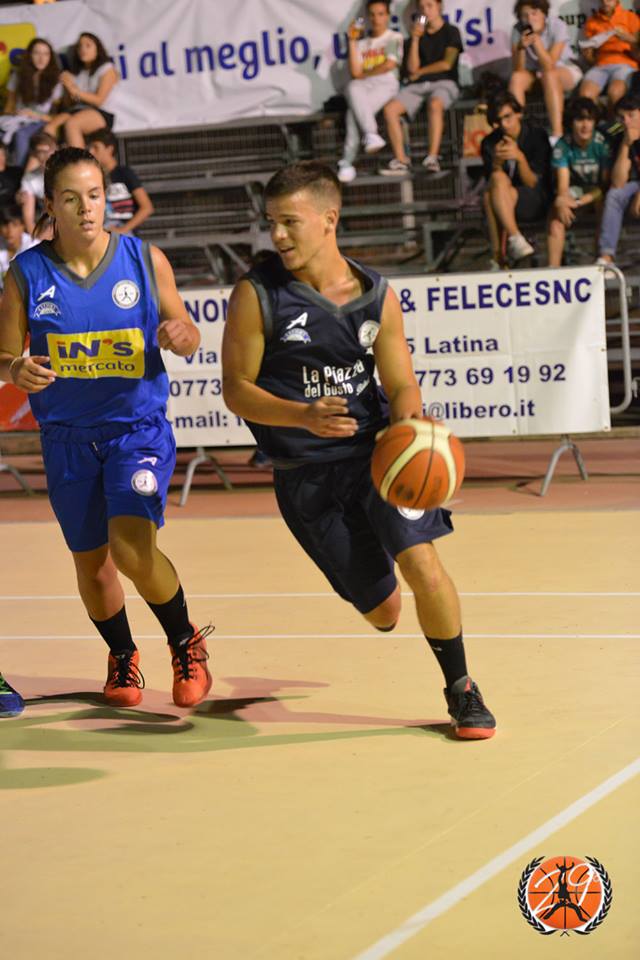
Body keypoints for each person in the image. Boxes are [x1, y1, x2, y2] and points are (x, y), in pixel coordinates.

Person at [221, 160, 496, 740]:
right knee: (384, 613)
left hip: (376, 459)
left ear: (329, 219)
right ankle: (372, 562)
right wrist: (302, 415)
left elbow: (401, 382)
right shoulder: (257, 295)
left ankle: (463, 689)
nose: (277, 235)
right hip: (305, 474)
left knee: (422, 562)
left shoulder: (375, 295)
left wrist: (409, 424)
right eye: (271, 222)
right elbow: (236, 390)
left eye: (290, 221)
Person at [0, 147, 212, 710]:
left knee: (133, 549)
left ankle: (185, 642)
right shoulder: (26, 274)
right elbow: (3, 357)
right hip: (67, 439)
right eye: (72, 198)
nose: (87, 208)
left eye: (95, 195)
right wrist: (15, 368)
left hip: (135, 431)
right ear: (52, 205)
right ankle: (122, 655)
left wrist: (182, 335)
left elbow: (187, 330)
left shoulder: (143, 260)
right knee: (94, 570)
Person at [379, 0, 462, 176]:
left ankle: (432, 157)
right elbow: (411, 69)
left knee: (435, 104)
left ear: (439, 6)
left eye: (430, 5)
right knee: (390, 110)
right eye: (422, 7)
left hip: (444, 82)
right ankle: (401, 160)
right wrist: (416, 39)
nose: (426, 10)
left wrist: (421, 72)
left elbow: (447, 64)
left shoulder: (451, 32)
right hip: (417, 86)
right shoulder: (414, 37)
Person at [481, 91, 551, 265]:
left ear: (518, 114)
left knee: (490, 198)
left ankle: (498, 258)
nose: (504, 125)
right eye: (499, 120)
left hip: (536, 199)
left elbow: (533, 183)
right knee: (494, 184)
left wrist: (520, 158)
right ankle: (515, 239)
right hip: (506, 199)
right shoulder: (489, 143)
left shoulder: (536, 135)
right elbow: (492, 180)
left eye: (508, 117)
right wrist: (497, 162)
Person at [337, 0, 403, 184]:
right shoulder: (362, 44)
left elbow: (389, 65)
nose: (376, 19)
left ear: (387, 16)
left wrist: (364, 74)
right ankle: (371, 134)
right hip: (364, 86)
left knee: (353, 114)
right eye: (372, 14)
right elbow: (355, 72)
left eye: (380, 14)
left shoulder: (394, 37)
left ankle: (347, 162)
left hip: (386, 84)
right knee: (352, 87)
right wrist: (352, 41)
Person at [547, 97, 611, 266]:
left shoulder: (602, 143)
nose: (585, 125)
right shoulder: (563, 145)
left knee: (604, 205)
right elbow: (563, 186)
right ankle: (552, 269)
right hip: (576, 190)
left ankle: (601, 263)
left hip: (598, 193)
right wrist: (562, 200)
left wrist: (582, 201)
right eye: (580, 119)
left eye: (589, 119)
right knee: (556, 212)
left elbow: (605, 185)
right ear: (571, 122)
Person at [509, 0, 582, 144]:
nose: (530, 18)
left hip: (563, 70)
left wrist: (536, 42)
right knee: (516, 78)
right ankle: (517, 134)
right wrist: (521, 48)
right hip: (536, 74)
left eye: (534, 13)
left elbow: (549, 64)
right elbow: (518, 69)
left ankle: (557, 135)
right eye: (525, 15)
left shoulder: (557, 25)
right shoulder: (517, 30)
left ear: (543, 13)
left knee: (549, 75)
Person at [44, 33, 119, 148]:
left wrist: (75, 91)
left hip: (102, 113)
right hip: (78, 110)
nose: (83, 49)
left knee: (72, 124)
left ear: (98, 49)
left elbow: (99, 101)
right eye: (79, 46)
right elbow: (71, 103)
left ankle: (80, 159)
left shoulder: (107, 69)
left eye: (88, 45)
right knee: (49, 128)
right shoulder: (79, 73)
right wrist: (67, 87)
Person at [0, 37, 63, 168]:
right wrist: (16, 113)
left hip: (40, 120)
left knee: (21, 134)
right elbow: (8, 107)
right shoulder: (18, 75)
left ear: (50, 57)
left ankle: (18, 173)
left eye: (46, 54)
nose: (41, 58)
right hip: (17, 118)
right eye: (37, 53)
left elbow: (57, 116)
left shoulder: (56, 81)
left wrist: (35, 115)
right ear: (30, 56)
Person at [596, 93, 640, 264]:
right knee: (614, 195)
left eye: (631, 115)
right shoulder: (618, 134)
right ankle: (607, 256)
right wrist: (626, 145)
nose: (626, 122)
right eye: (622, 118)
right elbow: (617, 182)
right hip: (634, 184)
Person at [87, 129, 154, 233]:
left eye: (96, 147)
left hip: (123, 232)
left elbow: (146, 208)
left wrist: (122, 230)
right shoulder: (92, 176)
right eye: (90, 147)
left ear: (109, 149)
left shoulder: (124, 173)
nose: (91, 152)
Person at [579, 0, 640, 111]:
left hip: (625, 64)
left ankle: (613, 121)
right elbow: (591, 59)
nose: (605, 2)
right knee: (585, 95)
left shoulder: (630, 17)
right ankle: (598, 117)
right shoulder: (592, 21)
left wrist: (628, 38)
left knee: (615, 93)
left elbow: (638, 49)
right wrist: (587, 56)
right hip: (601, 65)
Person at [17, 131, 57, 234]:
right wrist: (36, 239)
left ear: (55, 148)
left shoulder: (68, 171)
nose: (45, 155)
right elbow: (28, 218)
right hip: (46, 225)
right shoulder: (29, 178)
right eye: (40, 152)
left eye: (48, 150)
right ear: (35, 154)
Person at [0, 204, 37, 288]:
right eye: (5, 225)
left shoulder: (34, 248)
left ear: (23, 226)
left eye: (15, 225)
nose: (9, 231)